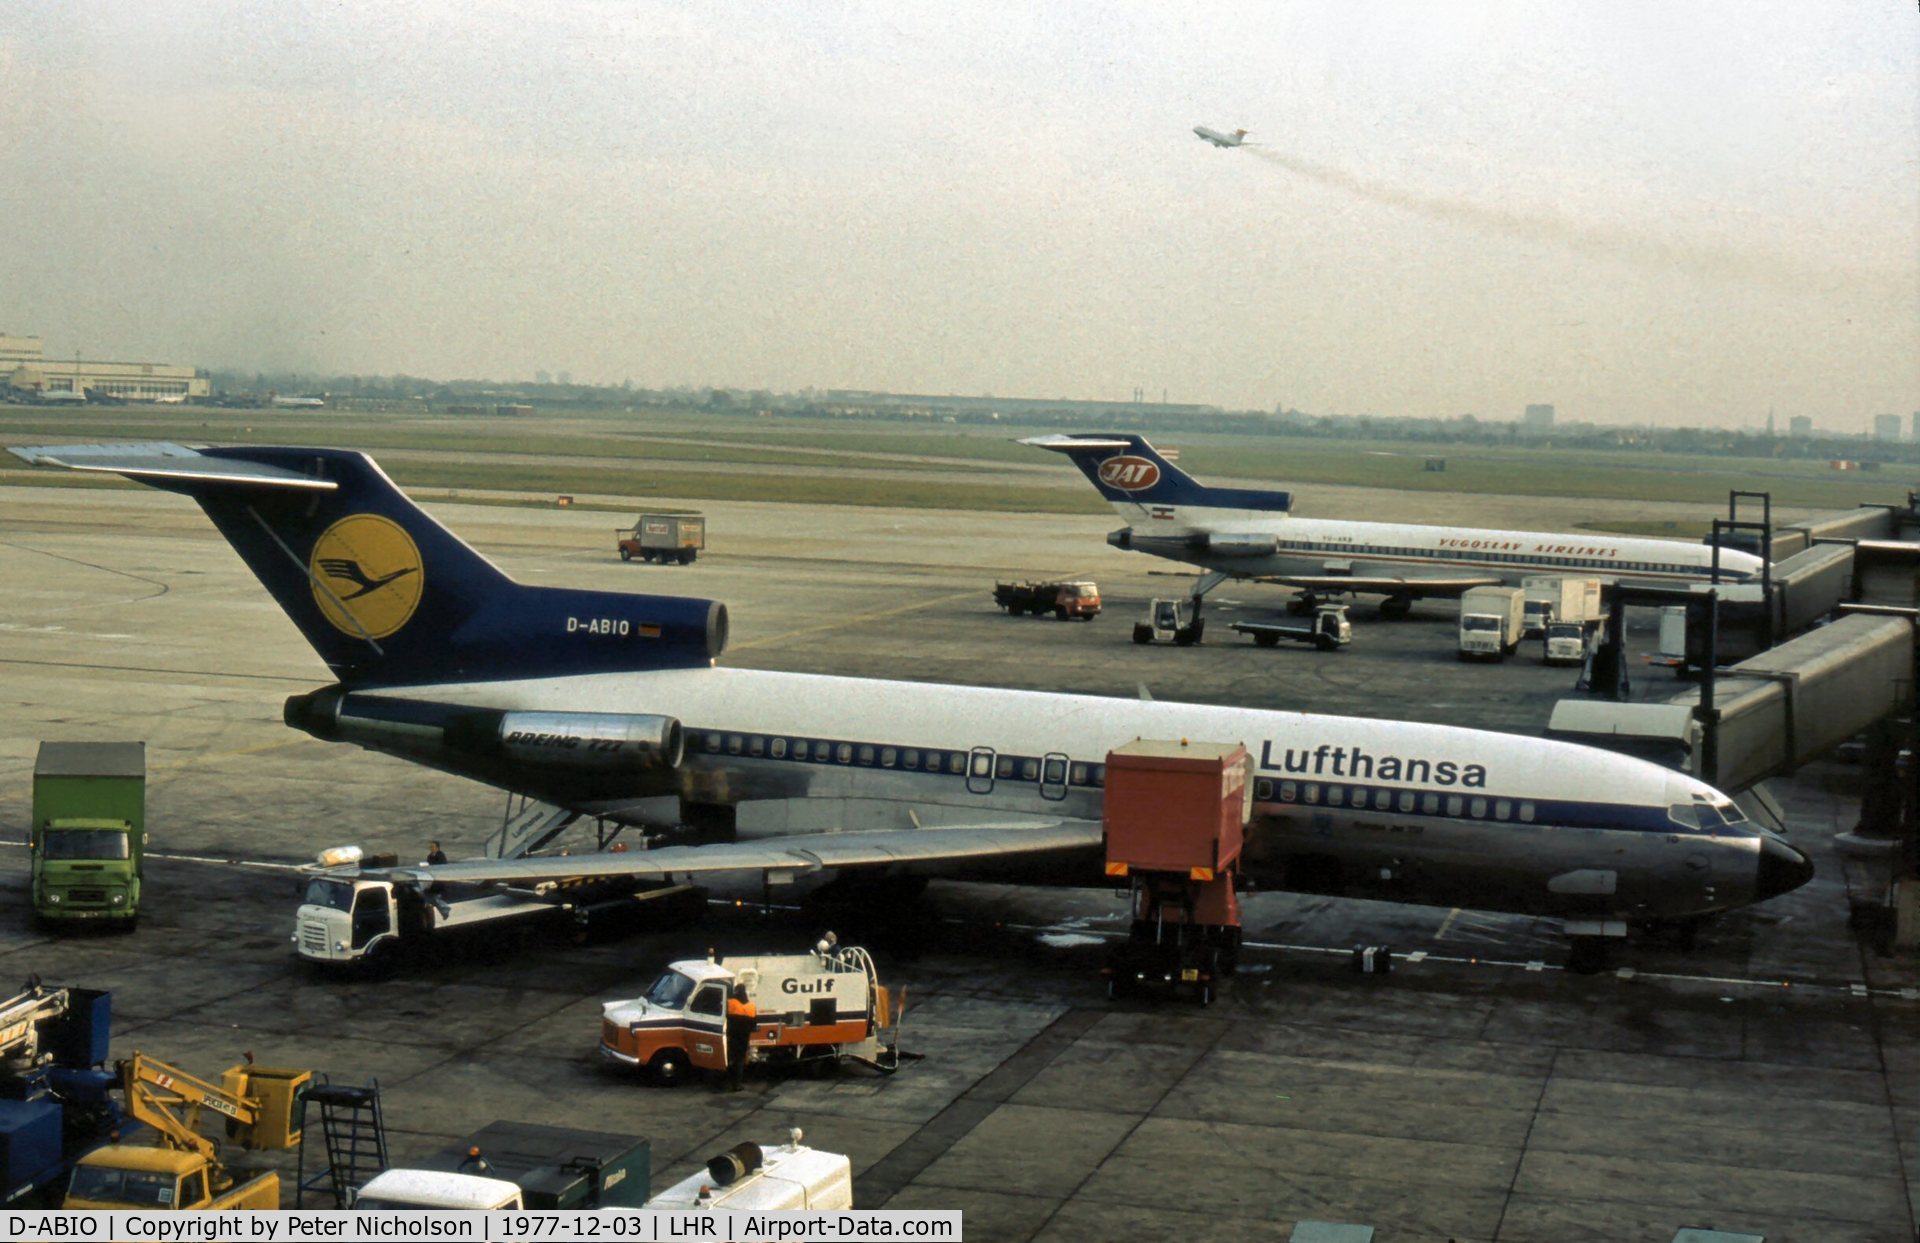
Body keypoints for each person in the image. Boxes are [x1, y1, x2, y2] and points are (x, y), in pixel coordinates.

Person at [724, 983, 757, 1091]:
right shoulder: (751, 1007)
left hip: (730, 1037)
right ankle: (737, 1084)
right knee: (740, 1060)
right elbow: (753, 1027)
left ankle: (725, 1080)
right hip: (744, 1039)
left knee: (729, 1058)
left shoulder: (730, 1002)